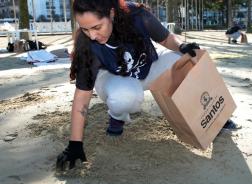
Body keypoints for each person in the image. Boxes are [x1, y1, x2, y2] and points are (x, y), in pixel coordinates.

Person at [56, 0, 238, 171]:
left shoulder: (137, 15)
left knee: (186, 60)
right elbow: (81, 98)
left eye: (97, 27)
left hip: (147, 67)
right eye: (85, 29)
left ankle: (216, 117)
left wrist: (181, 46)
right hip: (113, 78)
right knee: (125, 97)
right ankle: (117, 116)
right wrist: (75, 144)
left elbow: (166, 40)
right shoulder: (86, 45)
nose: (93, 36)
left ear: (111, 13)